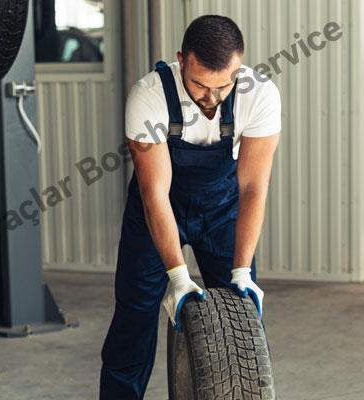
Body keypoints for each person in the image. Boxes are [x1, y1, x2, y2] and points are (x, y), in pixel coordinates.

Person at [99, 15, 281, 399]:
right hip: (159, 207)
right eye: (200, 85)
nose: (212, 98)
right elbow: (155, 193)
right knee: (134, 319)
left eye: (223, 85)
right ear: (183, 60)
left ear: (239, 66)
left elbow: (252, 186)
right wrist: (178, 276)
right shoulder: (149, 95)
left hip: (223, 210)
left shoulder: (259, 94)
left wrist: (243, 269)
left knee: (241, 314)